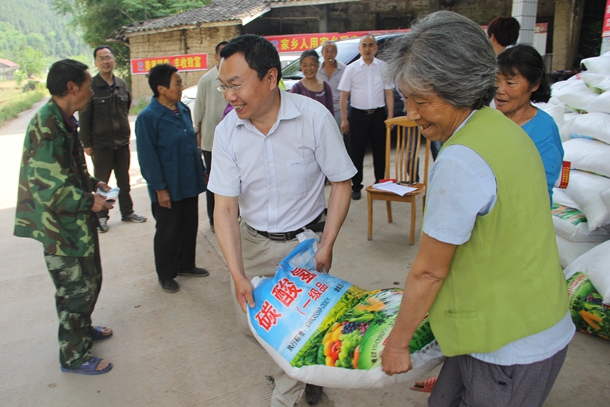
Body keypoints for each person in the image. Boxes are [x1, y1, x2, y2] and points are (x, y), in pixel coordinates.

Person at [379, 11, 573, 407]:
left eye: (422, 101)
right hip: (504, 324)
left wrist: (398, 343)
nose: (411, 113)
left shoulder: (460, 159)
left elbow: (430, 271)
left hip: (511, 345)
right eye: (406, 98)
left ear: (460, 89)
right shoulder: (501, 127)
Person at [208, 34, 355, 407]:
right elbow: (224, 209)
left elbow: (341, 183)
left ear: (270, 77)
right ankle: (299, 369)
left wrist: (327, 244)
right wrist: (237, 273)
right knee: (251, 325)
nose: (229, 96)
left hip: (303, 248)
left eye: (236, 84)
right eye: (224, 86)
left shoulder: (314, 118)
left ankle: (288, 391)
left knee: (296, 326)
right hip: (253, 244)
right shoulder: (227, 132)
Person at [14, 59, 114, 375]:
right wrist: (90, 201)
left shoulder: (64, 120)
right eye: (87, 86)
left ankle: (82, 331)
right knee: (74, 292)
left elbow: (68, 169)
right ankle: (73, 356)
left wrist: (93, 184)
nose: (91, 92)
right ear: (71, 88)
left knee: (91, 281)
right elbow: (49, 190)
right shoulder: (45, 126)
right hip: (59, 229)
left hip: (75, 223)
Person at [135, 64, 209, 294]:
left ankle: (186, 264)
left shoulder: (182, 109)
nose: (181, 87)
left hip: (188, 181)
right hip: (168, 186)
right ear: (161, 88)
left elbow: (191, 144)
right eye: (177, 83)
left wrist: (201, 169)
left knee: (189, 225)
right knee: (168, 232)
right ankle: (166, 274)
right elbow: (147, 157)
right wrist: (159, 188)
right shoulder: (148, 118)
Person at [79, 45, 147, 233]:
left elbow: (127, 107)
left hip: (122, 142)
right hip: (101, 145)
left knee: (124, 180)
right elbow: (84, 117)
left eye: (108, 57)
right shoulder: (91, 87)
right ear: (95, 63)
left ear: (114, 60)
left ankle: (127, 211)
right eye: (101, 58)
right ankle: (101, 217)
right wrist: (87, 144)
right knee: (102, 183)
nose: (105, 62)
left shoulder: (122, 84)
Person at [495, 44, 564, 205]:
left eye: (510, 83)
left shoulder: (543, 130)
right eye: (496, 81)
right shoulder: (488, 119)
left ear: (534, 85)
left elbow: (540, 188)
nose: (500, 90)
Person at [338, 34, 394, 200]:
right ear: (359, 48)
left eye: (370, 45)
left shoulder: (383, 67)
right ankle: (356, 186)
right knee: (356, 152)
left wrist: (390, 117)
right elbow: (344, 96)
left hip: (378, 115)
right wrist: (344, 118)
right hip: (357, 116)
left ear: (376, 47)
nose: (367, 49)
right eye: (364, 45)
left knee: (380, 152)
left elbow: (389, 93)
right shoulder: (351, 68)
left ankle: (380, 184)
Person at [193, 41, 228, 233]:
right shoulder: (206, 80)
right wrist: (198, 133)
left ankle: (235, 218)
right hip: (211, 140)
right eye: (222, 54)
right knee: (214, 183)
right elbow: (198, 110)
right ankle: (214, 220)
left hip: (233, 140)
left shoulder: (236, 78)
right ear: (215, 57)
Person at [290, 50, 334, 114]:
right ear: (301, 67)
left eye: (312, 65)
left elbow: (330, 113)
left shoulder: (326, 87)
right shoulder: (297, 88)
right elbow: (291, 112)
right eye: (305, 65)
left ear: (318, 65)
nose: (309, 68)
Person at [316, 40, 347, 128]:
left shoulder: (344, 69)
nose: (329, 54)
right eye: (326, 51)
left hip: (338, 112)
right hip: (320, 112)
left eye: (332, 51)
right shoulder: (316, 70)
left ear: (336, 53)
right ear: (322, 53)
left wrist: (344, 118)